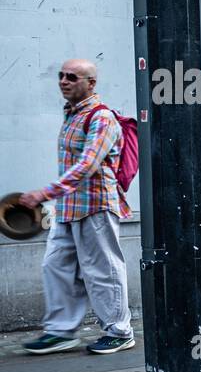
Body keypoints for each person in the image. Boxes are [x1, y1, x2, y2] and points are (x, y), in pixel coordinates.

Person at [19, 59, 134, 356]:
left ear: (91, 83)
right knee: (55, 266)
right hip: (68, 207)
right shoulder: (71, 114)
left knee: (102, 270)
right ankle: (61, 331)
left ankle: (120, 332)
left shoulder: (101, 117)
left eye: (72, 77)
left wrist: (44, 193)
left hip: (96, 205)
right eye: (61, 76)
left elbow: (86, 166)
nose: (63, 81)